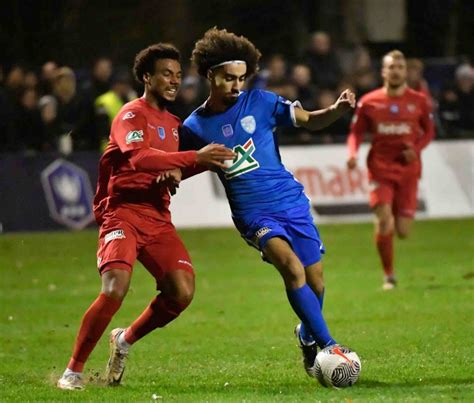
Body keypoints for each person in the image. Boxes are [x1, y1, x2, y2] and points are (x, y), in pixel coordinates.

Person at [56, 43, 235, 390]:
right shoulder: (130, 115)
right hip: (121, 212)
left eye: (178, 75)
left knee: (181, 292)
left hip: (157, 217)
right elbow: (139, 159)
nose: (174, 81)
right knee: (115, 287)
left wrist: (184, 169)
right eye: (166, 74)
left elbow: (175, 165)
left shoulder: (173, 123)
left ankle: (123, 340)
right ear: (147, 77)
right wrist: (191, 159)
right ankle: (73, 371)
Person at [180, 28, 356, 378]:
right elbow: (182, 166)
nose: (236, 85)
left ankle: (307, 335)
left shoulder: (261, 102)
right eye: (229, 78)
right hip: (253, 213)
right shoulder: (194, 127)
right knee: (291, 268)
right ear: (209, 74)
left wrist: (335, 110)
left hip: (291, 203)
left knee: (316, 281)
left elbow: (310, 120)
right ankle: (330, 346)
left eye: (242, 78)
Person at [346, 50, 434, 290]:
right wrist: (352, 154)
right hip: (380, 168)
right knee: (384, 222)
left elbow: (429, 131)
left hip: (408, 170)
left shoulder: (419, 101)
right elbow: (356, 132)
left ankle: (390, 220)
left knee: (403, 231)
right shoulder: (369, 102)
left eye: (400, 67)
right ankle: (389, 276)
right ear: (383, 71)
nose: (395, 71)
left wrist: (415, 149)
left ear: (405, 71)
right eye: (391, 67)